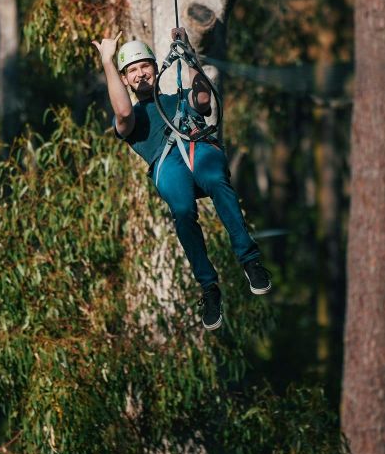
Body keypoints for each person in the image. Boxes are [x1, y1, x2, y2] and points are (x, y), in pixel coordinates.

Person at [92, 28, 271, 330]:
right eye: (132, 71)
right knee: (183, 210)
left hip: (197, 148)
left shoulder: (178, 96)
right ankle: (209, 288)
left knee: (215, 179)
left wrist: (189, 55)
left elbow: (203, 99)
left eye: (144, 67)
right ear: (125, 80)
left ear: (155, 67)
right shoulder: (133, 119)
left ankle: (250, 260)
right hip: (168, 164)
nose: (140, 75)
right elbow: (122, 112)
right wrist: (108, 61)